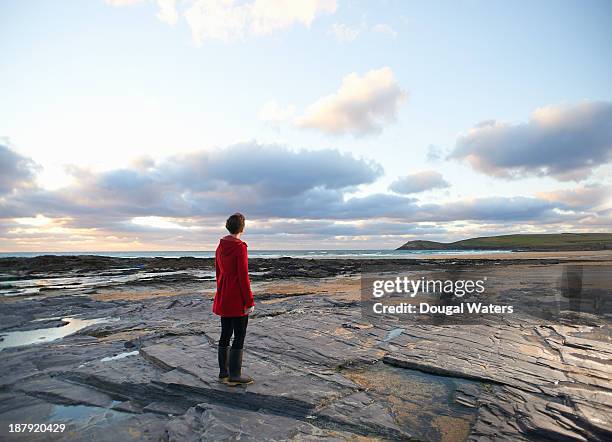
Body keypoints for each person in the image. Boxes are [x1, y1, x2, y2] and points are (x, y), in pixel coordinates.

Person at [213, 212, 255, 385]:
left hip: (224, 295)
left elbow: (218, 273)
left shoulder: (220, 246)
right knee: (239, 334)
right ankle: (235, 376)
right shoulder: (240, 247)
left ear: (228, 226)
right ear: (242, 228)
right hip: (237, 298)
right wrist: (249, 301)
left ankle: (223, 373)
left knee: (225, 333)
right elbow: (243, 276)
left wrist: (221, 290)